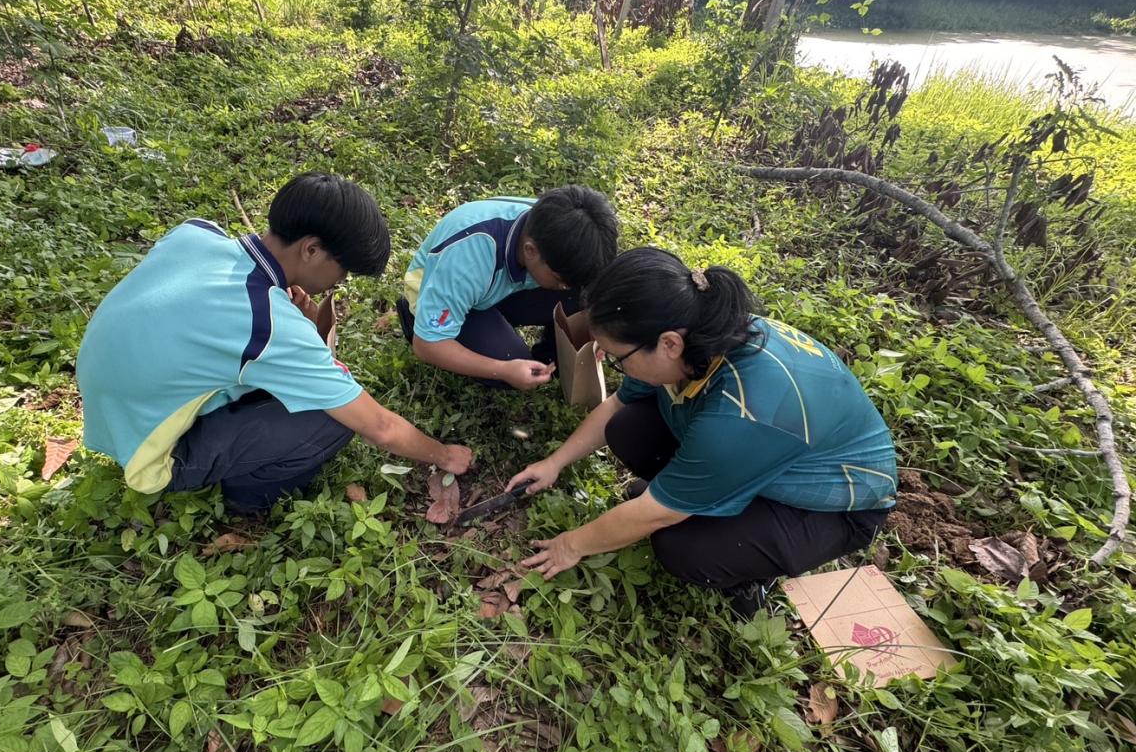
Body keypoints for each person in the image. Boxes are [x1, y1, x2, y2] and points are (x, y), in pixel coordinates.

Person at [508, 247, 897, 616]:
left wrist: (570, 545)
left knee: (681, 547)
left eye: (617, 357)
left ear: (669, 344)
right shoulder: (697, 331)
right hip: (762, 454)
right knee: (627, 428)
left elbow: (650, 515)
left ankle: (748, 576)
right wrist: (554, 462)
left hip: (833, 510)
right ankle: (696, 496)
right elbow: (617, 405)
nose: (611, 363)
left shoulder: (743, 414)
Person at [77, 172, 471, 515]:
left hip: (110, 414)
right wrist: (444, 455)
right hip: (148, 454)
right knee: (328, 419)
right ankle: (248, 498)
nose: (341, 281)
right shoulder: (265, 324)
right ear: (312, 249)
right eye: (343, 269)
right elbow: (380, 427)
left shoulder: (196, 233)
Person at [397, 186, 618, 390]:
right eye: (560, 279)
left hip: (494, 289)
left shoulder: (558, 229)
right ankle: (417, 317)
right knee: (507, 362)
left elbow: (591, 285)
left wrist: (598, 327)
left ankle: (550, 360)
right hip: (451, 295)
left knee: (580, 295)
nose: (564, 287)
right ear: (530, 251)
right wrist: (502, 370)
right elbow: (427, 345)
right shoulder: (467, 260)